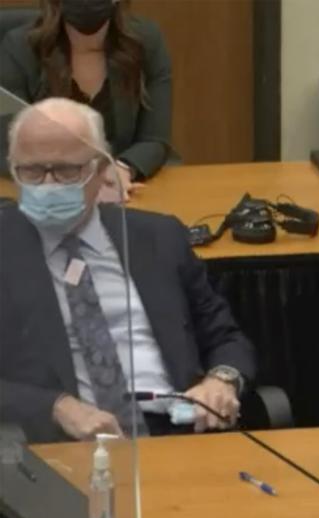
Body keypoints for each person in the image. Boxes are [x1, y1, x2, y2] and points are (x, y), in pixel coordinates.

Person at [0, 98, 251, 442]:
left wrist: (221, 380)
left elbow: (225, 337)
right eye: (31, 171)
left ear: (102, 168)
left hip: (179, 433)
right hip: (62, 443)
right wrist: (55, 407)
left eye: (66, 170)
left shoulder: (158, 237)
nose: (48, 184)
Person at [0, 0, 172, 198]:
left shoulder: (146, 41)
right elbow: (10, 141)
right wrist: (71, 178)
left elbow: (154, 139)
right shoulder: (20, 47)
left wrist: (122, 169)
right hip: (48, 192)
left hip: (125, 192)